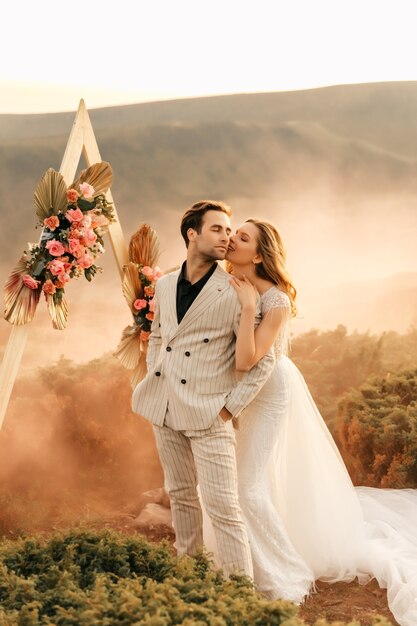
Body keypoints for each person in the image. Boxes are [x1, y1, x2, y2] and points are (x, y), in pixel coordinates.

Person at [217, 217, 417, 625]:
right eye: (231, 232)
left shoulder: (274, 300)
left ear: (258, 254)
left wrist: (249, 308)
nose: (231, 239)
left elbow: (249, 358)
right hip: (234, 391)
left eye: (242, 237)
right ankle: (237, 561)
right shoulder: (226, 284)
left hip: (270, 391)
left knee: (250, 486)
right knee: (233, 476)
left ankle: (286, 572)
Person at [132, 202, 275, 579]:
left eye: (231, 231)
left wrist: (228, 410)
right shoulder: (163, 285)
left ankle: (238, 593)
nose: (226, 236)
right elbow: (159, 336)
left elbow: (264, 361)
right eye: (218, 229)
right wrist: (156, 378)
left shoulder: (237, 291)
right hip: (164, 410)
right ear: (192, 234)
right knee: (180, 495)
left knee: (224, 507)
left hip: (210, 413)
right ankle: (190, 574)